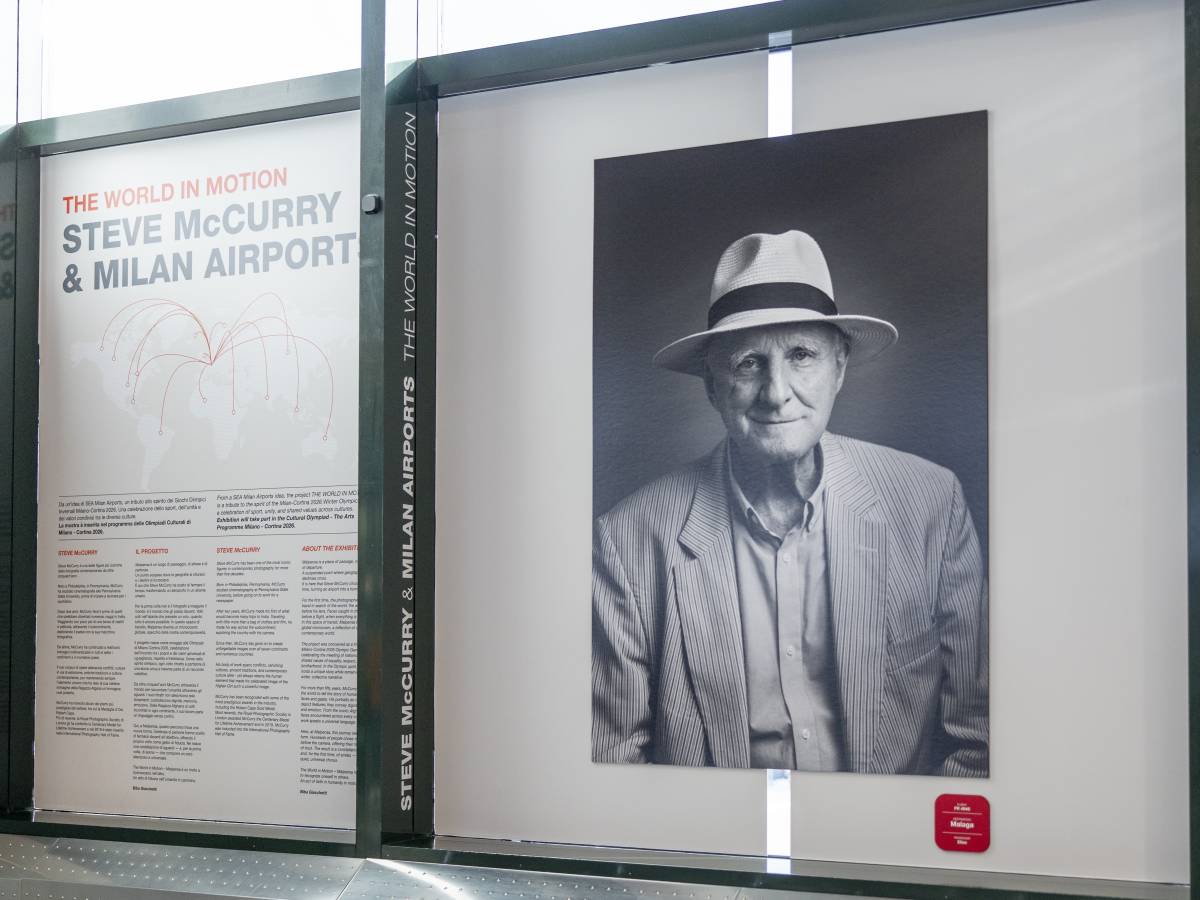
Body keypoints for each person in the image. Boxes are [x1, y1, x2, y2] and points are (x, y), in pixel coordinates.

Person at [591, 230, 988, 777]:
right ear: (712, 386)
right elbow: (613, 764)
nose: (776, 393)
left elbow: (980, 738)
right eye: (748, 363)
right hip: (712, 831)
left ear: (839, 368)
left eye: (801, 355)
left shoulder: (930, 503)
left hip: (884, 831)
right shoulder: (627, 540)